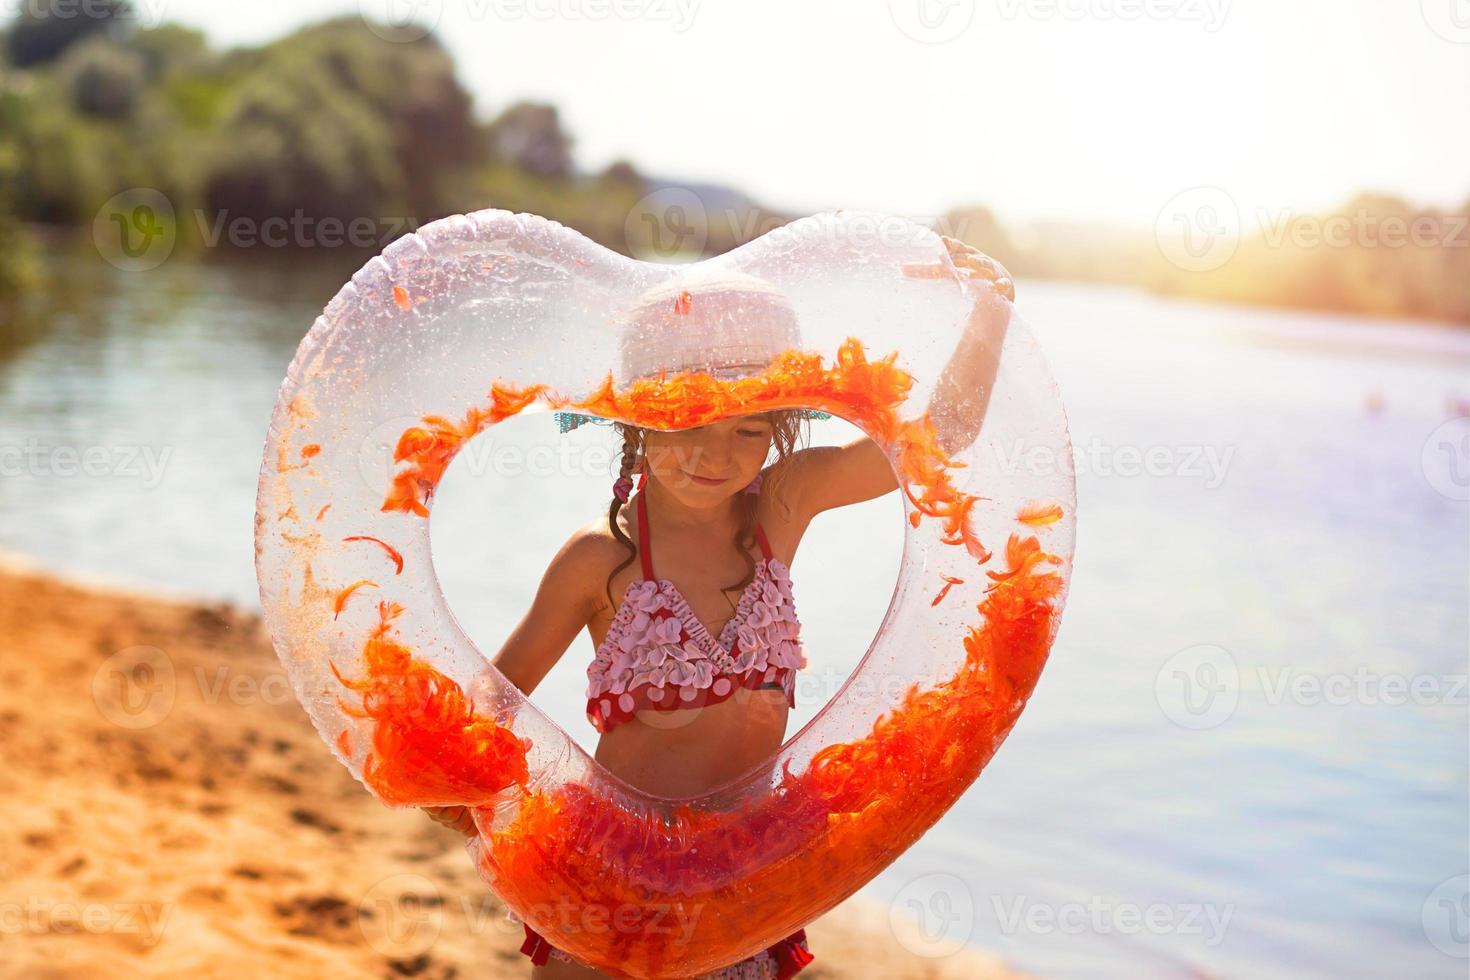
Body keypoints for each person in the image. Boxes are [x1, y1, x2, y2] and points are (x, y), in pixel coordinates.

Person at [424, 239, 1013, 978]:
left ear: (779, 429)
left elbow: (941, 438)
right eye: (688, 426)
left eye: (748, 429)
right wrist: (457, 780)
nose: (716, 454)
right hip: (613, 877)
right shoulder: (599, 561)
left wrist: (989, 314)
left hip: (742, 881)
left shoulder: (783, 505)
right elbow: (495, 698)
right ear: (638, 423)